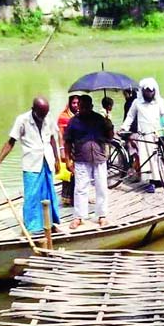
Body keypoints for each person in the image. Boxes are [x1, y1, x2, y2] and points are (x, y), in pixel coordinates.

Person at [0, 97, 61, 234]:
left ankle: (50, 224)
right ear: (33, 110)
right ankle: (32, 227)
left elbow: (52, 138)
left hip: (47, 160)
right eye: (40, 115)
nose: (42, 118)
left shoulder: (48, 117)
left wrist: (57, 158)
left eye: (44, 114)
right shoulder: (22, 120)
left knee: (48, 193)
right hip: (32, 163)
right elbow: (11, 141)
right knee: (32, 195)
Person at [64, 95, 113, 229]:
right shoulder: (73, 122)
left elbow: (109, 138)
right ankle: (79, 217)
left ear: (91, 106)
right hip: (81, 158)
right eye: (82, 106)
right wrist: (68, 160)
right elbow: (67, 141)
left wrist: (109, 126)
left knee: (102, 187)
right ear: (79, 107)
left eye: (87, 106)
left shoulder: (100, 119)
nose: (84, 109)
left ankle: (102, 215)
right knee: (80, 188)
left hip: (99, 157)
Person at [121, 78, 164, 193]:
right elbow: (130, 116)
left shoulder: (160, 102)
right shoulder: (137, 102)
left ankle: (159, 178)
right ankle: (151, 182)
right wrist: (124, 127)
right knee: (147, 159)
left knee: (158, 157)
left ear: (154, 91)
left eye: (151, 91)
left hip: (156, 134)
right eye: (146, 91)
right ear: (143, 91)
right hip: (143, 136)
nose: (149, 93)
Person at [56, 94, 79, 206]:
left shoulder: (80, 115)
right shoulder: (63, 116)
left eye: (77, 103)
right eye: (74, 103)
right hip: (67, 148)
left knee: (78, 173)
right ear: (70, 103)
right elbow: (60, 135)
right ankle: (67, 198)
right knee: (68, 174)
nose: (76, 105)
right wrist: (61, 150)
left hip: (78, 148)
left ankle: (77, 197)